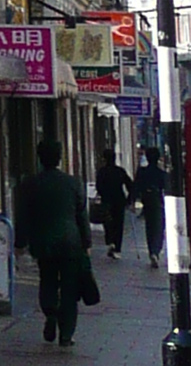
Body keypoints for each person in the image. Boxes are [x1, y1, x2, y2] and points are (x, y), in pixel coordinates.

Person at [14, 132, 93, 348]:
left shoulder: (30, 184)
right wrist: (87, 243)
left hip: (43, 243)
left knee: (47, 279)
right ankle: (66, 333)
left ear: (40, 158)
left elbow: (23, 215)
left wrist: (20, 243)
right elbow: (81, 215)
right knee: (69, 287)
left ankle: (50, 313)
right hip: (70, 243)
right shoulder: (72, 183)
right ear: (59, 158)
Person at [133, 147, 168, 268]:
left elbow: (136, 187)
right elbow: (167, 189)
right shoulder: (162, 173)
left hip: (146, 201)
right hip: (158, 201)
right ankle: (155, 251)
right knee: (159, 227)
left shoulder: (142, 172)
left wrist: (132, 201)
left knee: (149, 227)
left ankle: (151, 251)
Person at [96, 147, 132, 261]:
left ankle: (110, 241)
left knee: (108, 222)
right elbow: (130, 185)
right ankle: (117, 248)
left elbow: (98, 186)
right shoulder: (120, 171)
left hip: (106, 200)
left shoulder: (102, 172)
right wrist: (129, 199)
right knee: (119, 223)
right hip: (119, 200)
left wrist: (102, 194)